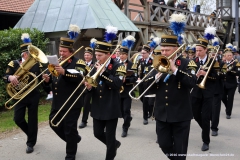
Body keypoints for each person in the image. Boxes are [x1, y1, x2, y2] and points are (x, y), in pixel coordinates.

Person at [148, 35, 197, 160]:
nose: (164, 52)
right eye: (162, 50)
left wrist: (175, 69)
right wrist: (155, 80)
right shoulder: (158, 62)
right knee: (164, 144)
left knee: (180, 149)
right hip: (162, 114)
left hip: (181, 114)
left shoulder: (187, 63)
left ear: (176, 49)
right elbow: (146, 88)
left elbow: (192, 82)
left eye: (167, 50)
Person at [43, 28, 87, 159]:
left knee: (69, 129)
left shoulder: (79, 62)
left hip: (72, 103)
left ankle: (70, 154)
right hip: (58, 101)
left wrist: (64, 72)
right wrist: (47, 80)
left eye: (64, 51)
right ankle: (73, 139)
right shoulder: (56, 62)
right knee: (53, 123)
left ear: (71, 52)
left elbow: (80, 78)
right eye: (60, 51)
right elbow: (55, 82)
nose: (61, 53)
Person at [3, 33, 45, 154]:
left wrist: (46, 80)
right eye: (29, 54)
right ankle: (31, 134)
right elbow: (4, 77)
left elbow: (42, 80)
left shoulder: (37, 64)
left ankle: (30, 142)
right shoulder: (14, 63)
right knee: (18, 119)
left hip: (33, 95)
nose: (32, 56)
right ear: (24, 54)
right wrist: (10, 77)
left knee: (32, 119)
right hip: (19, 96)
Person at [85, 41, 126, 160]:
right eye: (96, 55)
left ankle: (110, 155)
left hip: (111, 106)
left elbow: (117, 84)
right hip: (98, 106)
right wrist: (88, 88)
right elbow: (92, 85)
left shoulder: (119, 66)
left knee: (109, 136)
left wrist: (103, 73)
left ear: (108, 54)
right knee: (97, 133)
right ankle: (114, 144)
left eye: (100, 55)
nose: (97, 58)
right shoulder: (95, 66)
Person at [191, 38, 219, 151]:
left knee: (205, 117)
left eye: (200, 50)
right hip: (196, 92)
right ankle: (206, 128)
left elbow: (216, 77)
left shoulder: (213, 61)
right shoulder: (193, 61)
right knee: (195, 114)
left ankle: (205, 141)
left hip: (208, 92)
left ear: (206, 50)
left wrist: (206, 74)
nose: (198, 53)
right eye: (196, 50)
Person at [118, 45, 137, 137]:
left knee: (126, 110)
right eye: (120, 54)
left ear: (127, 55)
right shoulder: (115, 63)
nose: (121, 56)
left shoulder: (131, 65)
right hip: (117, 90)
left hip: (127, 91)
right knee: (120, 111)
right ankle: (128, 118)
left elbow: (135, 78)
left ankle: (125, 128)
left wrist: (127, 80)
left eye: (124, 54)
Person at [220, 49, 240, 119]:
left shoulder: (235, 63)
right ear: (225, 56)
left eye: (231, 55)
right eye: (228, 55)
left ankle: (228, 113)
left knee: (230, 98)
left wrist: (230, 71)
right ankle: (227, 106)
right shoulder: (222, 63)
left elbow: (238, 72)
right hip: (223, 83)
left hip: (232, 84)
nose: (230, 56)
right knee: (223, 97)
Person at [137, 45, 153, 125]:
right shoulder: (140, 61)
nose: (142, 55)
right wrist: (138, 78)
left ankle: (145, 117)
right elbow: (138, 70)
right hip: (141, 82)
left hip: (148, 82)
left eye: (144, 53)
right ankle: (150, 109)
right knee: (141, 98)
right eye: (141, 53)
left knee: (146, 99)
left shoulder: (152, 61)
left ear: (148, 53)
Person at [79, 47, 94, 129]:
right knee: (82, 103)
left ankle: (84, 121)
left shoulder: (94, 65)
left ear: (91, 56)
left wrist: (88, 82)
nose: (86, 56)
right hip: (81, 86)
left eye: (88, 55)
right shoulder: (82, 64)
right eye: (85, 55)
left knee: (86, 103)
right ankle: (94, 109)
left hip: (89, 87)